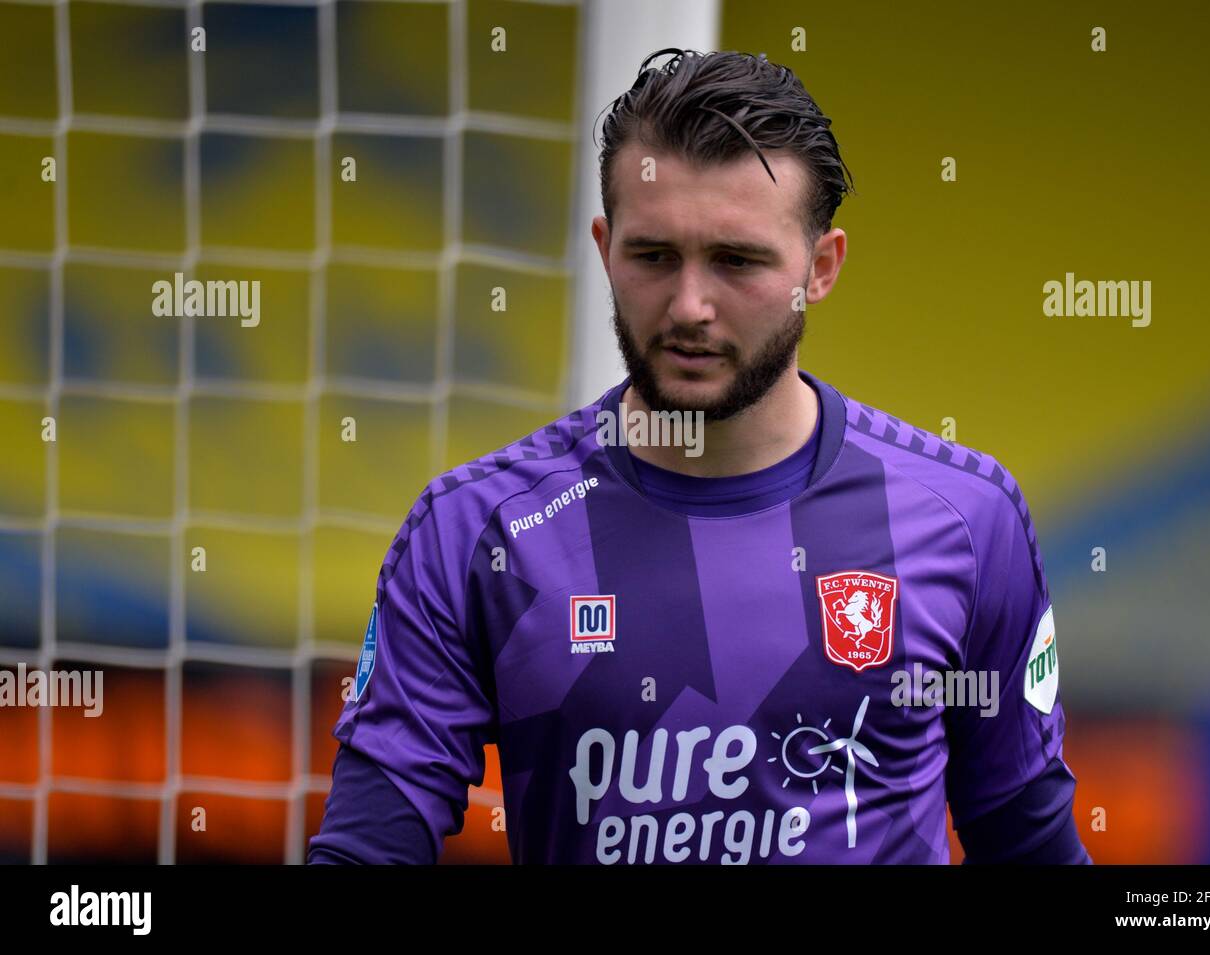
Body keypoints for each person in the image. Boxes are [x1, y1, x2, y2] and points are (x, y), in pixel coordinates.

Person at [309, 48, 1089, 865]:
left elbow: (1029, 841)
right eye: (653, 257)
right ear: (606, 250)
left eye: (737, 260)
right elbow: (367, 851)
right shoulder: (477, 533)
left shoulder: (964, 521)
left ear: (819, 269)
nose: (689, 306)